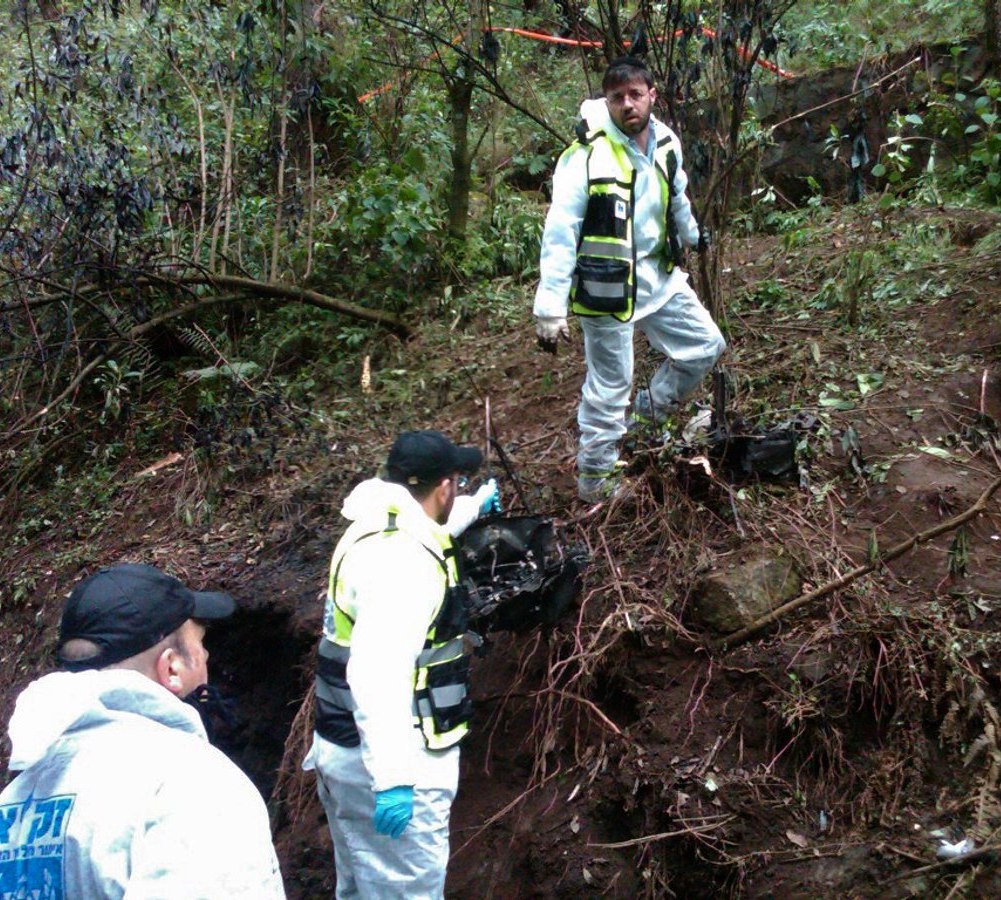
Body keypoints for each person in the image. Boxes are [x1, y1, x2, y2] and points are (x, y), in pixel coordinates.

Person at [0, 562, 285, 899]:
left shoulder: (3, 815)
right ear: (171, 667)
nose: (205, 655)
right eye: (200, 643)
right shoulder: (193, 785)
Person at [304, 429, 499, 899]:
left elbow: (433, 527)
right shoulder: (402, 565)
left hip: (346, 747)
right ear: (444, 486)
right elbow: (378, 673)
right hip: (389, 764)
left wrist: (475, 506)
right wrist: (393, 780)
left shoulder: (379, 524)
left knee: (359, 888)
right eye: (459, 484)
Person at [533, 55, 727, 502]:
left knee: (705, 345)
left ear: (652, 95)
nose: (627, 105)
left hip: (659, 278)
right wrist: (549, 306)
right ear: (607, 100)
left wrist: (694, 237)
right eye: (617, 97)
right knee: (609, 387)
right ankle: (595, 481)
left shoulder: (666, 143)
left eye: (635, 94)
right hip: (606, 289)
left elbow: (677, 197)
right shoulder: (585, 155)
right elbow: (560, 231)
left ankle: (642, 424)